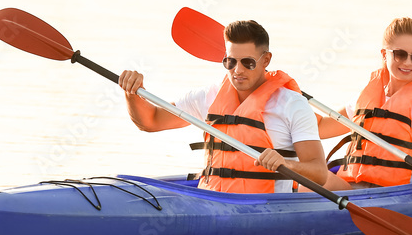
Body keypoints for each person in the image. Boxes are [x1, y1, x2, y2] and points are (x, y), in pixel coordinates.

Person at [118, 20, 328, 193]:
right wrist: (132, 93)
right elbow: (150, 121)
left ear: (266, 60)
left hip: (265, 206)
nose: (237, 70)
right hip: (210, 199)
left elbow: (319, 172)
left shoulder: (292, 105)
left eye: (248, 62)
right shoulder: (208, 97)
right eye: (230, 62)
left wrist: (287, 164)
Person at [317, 17, 412, 191]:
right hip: (353, 190)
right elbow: (321, 128)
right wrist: (288, 102)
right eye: (400, 54)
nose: (408, 62)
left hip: (400, 193)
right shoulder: (365, 99)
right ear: (384, 54)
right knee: (311, 175)